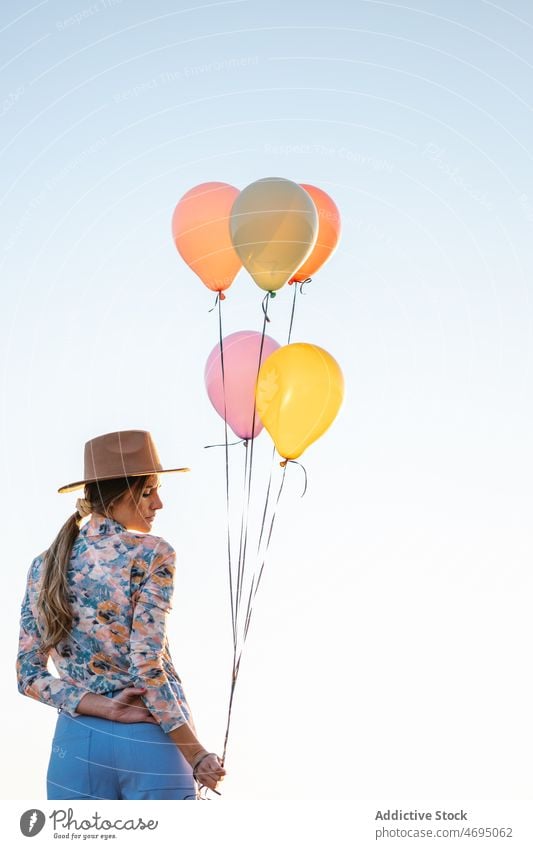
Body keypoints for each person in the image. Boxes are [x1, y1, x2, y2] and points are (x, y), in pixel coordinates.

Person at [16, 429, 226, 800]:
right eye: (149, 491)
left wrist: (104, 708)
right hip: (149, 732)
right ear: (123, 494)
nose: (158, 503)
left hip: (75, 748)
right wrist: (197, 755)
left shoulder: (42, 565)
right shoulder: (152, 553)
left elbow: (27, 675)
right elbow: (146, 665)